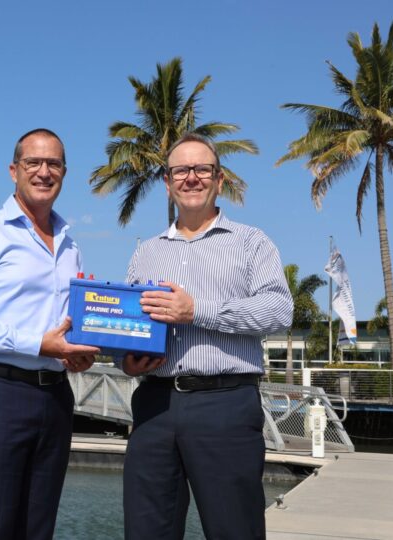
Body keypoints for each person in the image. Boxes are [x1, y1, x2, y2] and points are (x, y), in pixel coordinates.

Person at [120, 133, 293, 539]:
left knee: (234, 530)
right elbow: (130, 324)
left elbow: (280, 310)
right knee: (146, 530)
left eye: (202, 169)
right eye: (181, 170)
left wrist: (197, 311)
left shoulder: (252, 243)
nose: (191, 177)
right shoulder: (146, 252)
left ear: (219, 180)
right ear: (167, 182)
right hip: (154, 405)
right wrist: (125, 360)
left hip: (225, 405)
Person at [0, 128, 100, 540]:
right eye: (33, 163)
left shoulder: (71, 244)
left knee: (37, 528)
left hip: (56, 396)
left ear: (65, 172)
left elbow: (64, 325)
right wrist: (35, 343)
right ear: (14, 170)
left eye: (54, 164)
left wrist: (76, 353)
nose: (44, 172)